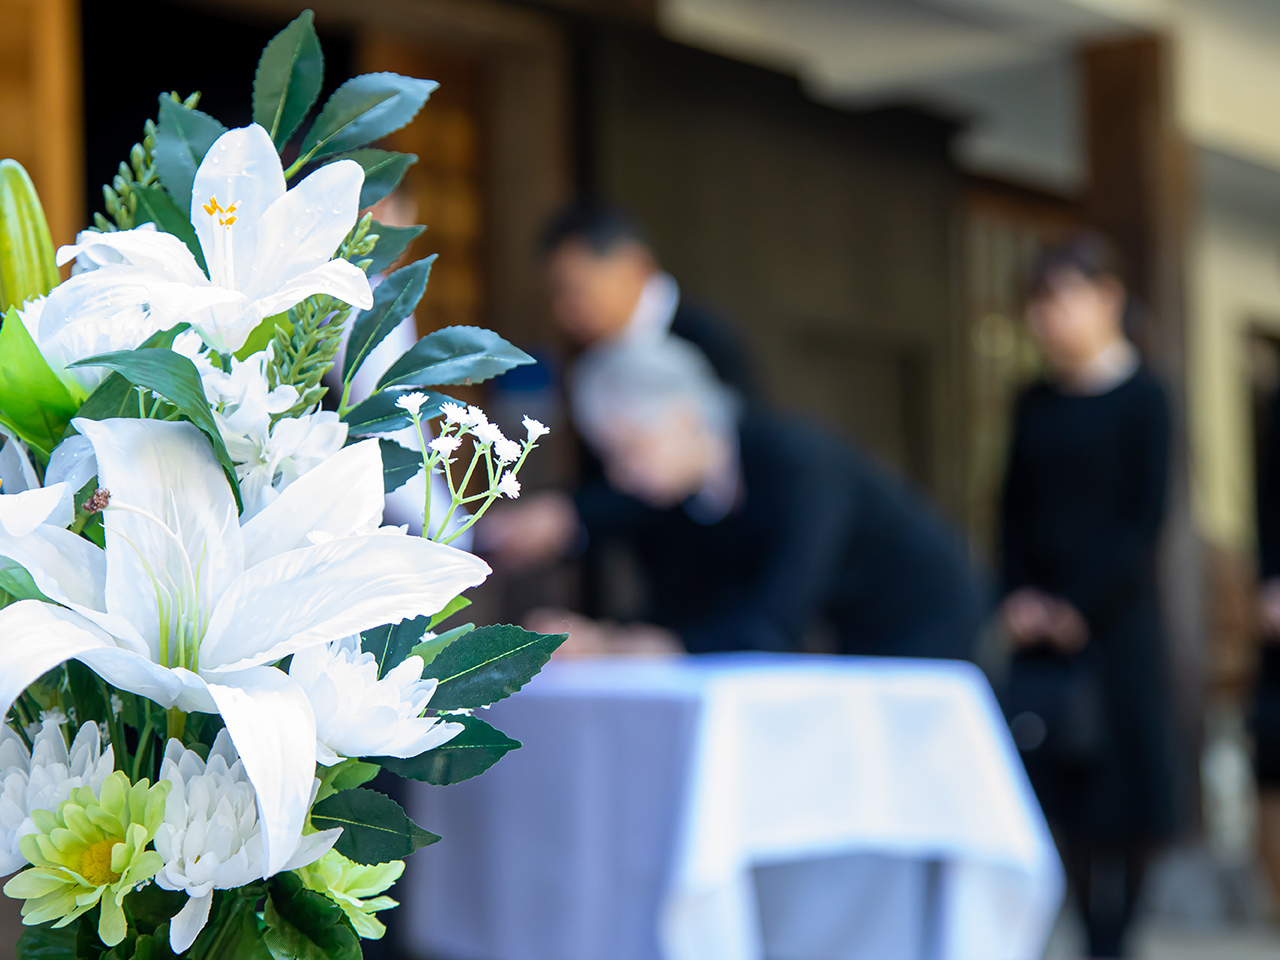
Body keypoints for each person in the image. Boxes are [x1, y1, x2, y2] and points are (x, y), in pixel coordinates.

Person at [480, 335, 985, 660]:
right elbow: (692, 608)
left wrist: (634, 646)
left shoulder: (796, 464)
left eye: (631, 451)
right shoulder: (684, 491)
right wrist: (602, 638)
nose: (622, 475)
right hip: (848, 625)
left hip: (927, 618)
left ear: (683, 417)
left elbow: (773, 621)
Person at [998, 231, 1175, 958]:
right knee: (1055, 783)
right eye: (1040, 304)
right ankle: (1074, 931)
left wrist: (1080, 605)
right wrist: (1019, 597)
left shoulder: (1145, 396)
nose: (1051, 318)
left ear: (1108, 299)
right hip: (1039, 623)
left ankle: (1115, 938)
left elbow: (1145, 518)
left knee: (1127, 789)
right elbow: (1010, 507)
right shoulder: (1033, 400)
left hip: (1116, 619)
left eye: (1064, 298)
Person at [540, 201, 759, 403]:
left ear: (633, 268)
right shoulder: (588, 358)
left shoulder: (708, 339)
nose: (563, 313)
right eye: (556, 295)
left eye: (576, 291)